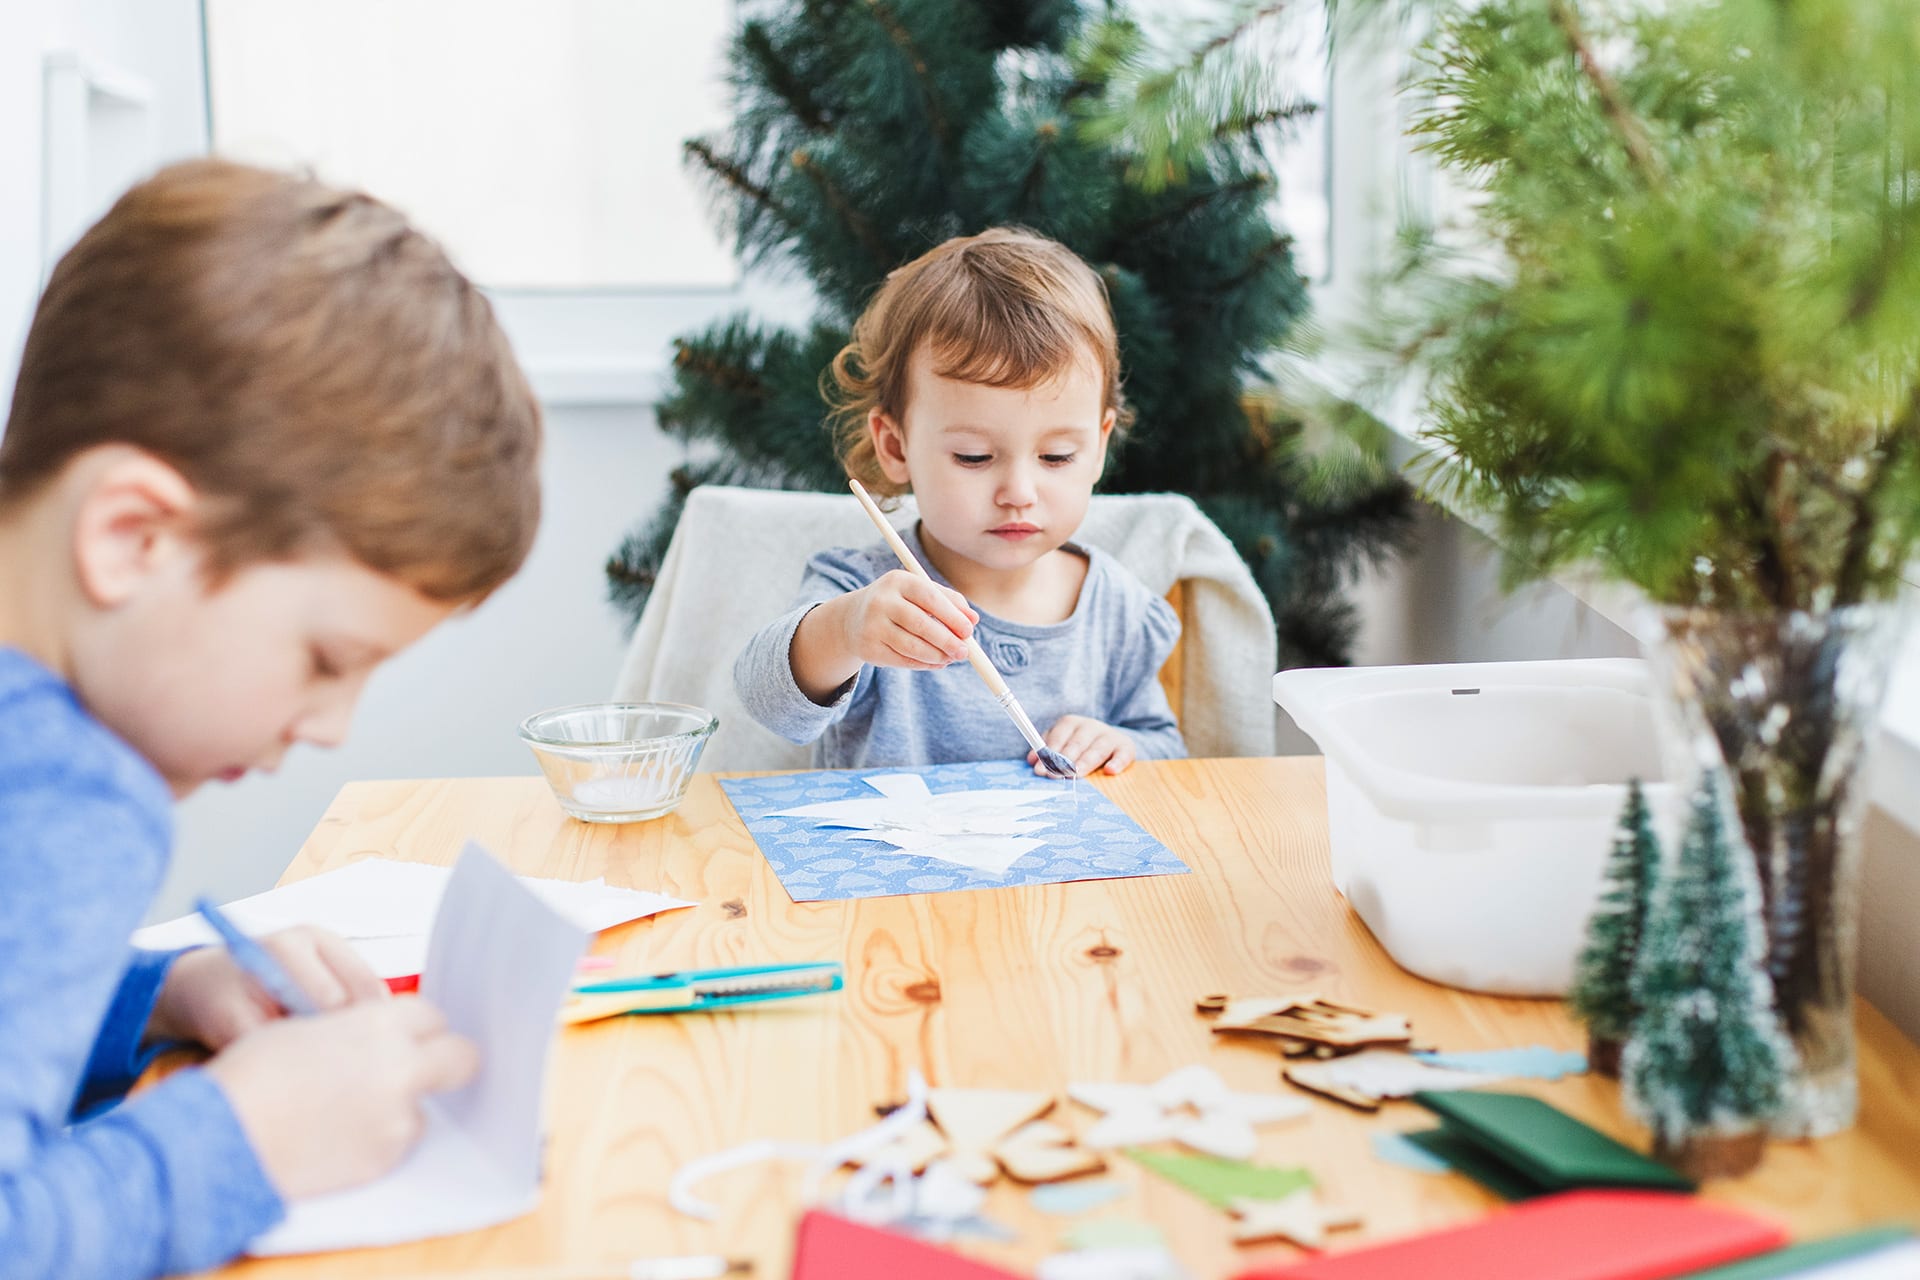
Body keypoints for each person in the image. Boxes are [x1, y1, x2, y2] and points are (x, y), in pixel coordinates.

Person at [0, 158, 542, 1277]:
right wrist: (246, 1137)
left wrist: (155, 993)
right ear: (132, 537)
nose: (332, 724)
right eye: (327, 658)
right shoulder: (66, 790)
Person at [735, 228, 1185, 775]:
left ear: (1100, 445)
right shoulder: (866, 593)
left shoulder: (1117, 608)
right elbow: (766, 700)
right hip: (886, 860)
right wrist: (844, 630)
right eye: (974, 457)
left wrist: (1120, 744)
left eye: (1058, 456)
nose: (1019, 493)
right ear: (896, 447)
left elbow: (1166, 748)